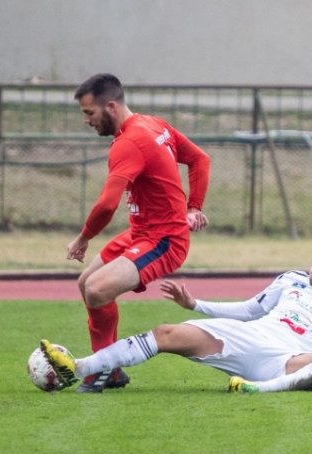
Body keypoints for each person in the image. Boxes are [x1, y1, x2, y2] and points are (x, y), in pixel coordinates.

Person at [42, 233, 312, 393]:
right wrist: (197, 306)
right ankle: (77, 368)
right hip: (247, 338)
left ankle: (258, 390)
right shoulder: (290, 280)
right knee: (167, 331)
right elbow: (249, 310)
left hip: (285, 361)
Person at [66, 73, 211, 393]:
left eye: (89, 113)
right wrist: (194, 207)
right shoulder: (153, 124)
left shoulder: (130, 142)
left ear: (112, 106)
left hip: (164, 240)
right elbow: (200, 159)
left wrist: (84, 237)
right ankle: (111, 367)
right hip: (140, 233)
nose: (87, 121)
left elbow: (107, 204)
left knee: (96, 290)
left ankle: (101, 367)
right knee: (85, 284)